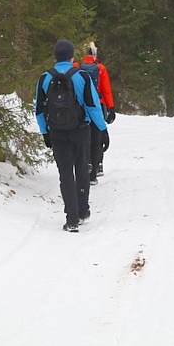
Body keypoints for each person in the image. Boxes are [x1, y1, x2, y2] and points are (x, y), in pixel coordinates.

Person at [35, 39, 108, 232]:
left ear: (55, 56)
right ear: (71, 56)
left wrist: (45, 133)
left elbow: (39, 110)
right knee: (82, 169)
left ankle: (71, 218)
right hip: (81, 130)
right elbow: (92, 105)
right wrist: (102, 129)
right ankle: (83, 210)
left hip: (57, 132)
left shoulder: (45, 78)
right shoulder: (81, 76)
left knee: (65, 173)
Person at [79, 42, 115, 184]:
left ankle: (86, 164)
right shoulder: (100, 68)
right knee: (97, 136)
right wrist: (111, 107)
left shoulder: (77, 67)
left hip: (82, 106)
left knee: (84, 136)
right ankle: (97, 168)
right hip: (98, 105)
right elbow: (106, 89)